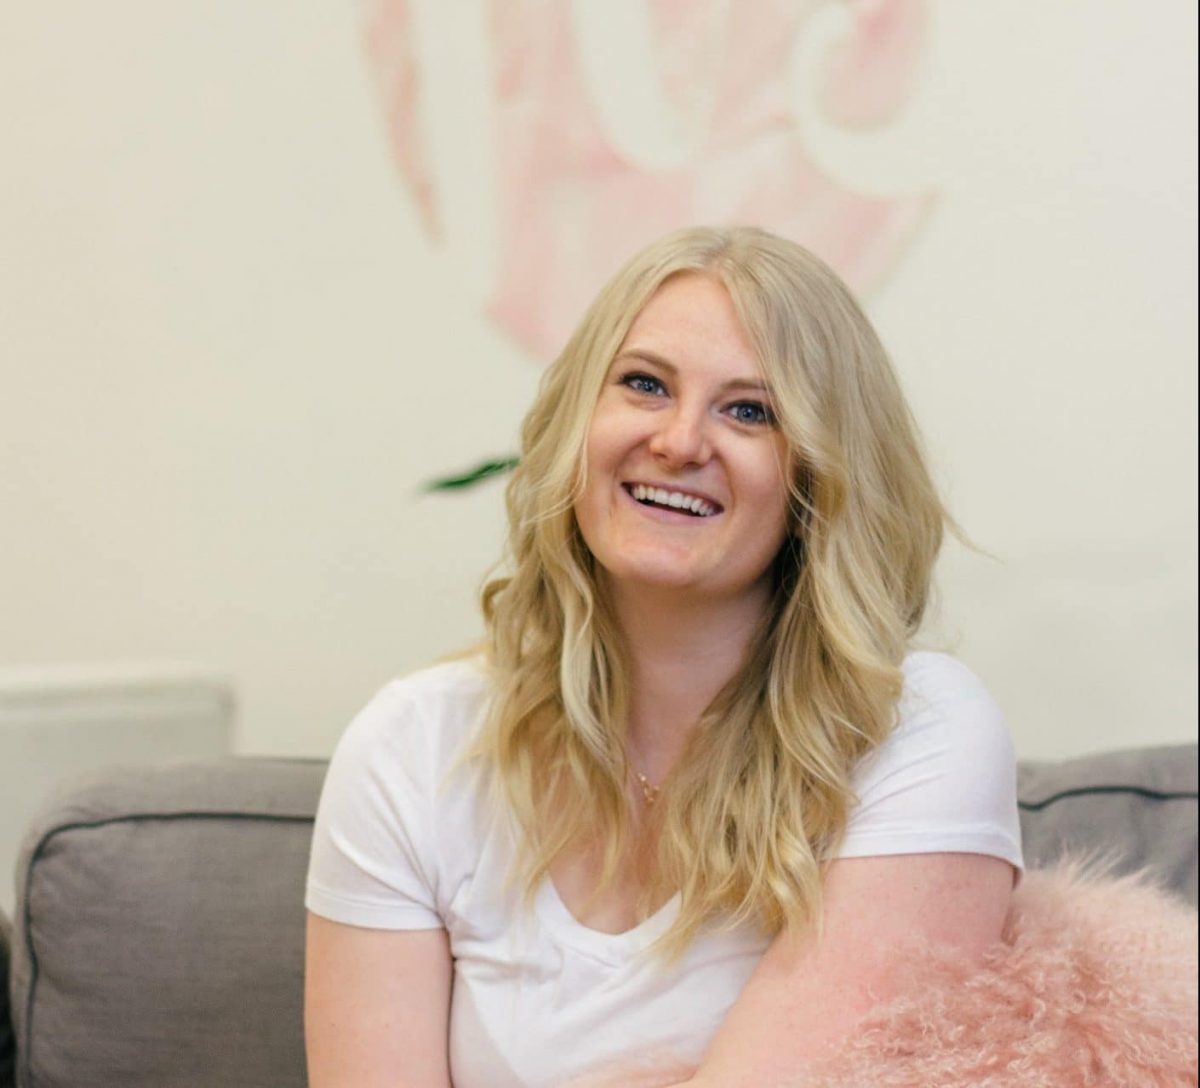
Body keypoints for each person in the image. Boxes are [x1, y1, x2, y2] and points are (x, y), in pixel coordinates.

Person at [303, 226, 1023, 1087]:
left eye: (749, 411)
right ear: (578, 422)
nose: (681, 442)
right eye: (645, 384)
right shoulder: (411, 747)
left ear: (819, 478)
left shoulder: (914, 731)